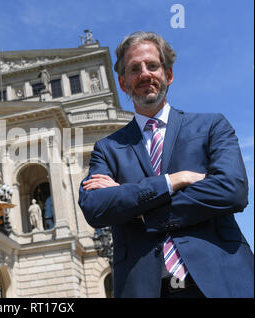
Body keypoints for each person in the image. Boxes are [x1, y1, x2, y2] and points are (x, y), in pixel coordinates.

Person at [78, 31, 253, 298]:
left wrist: (141, 209)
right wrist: (173, 181)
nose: (145, 74)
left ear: (168, 75)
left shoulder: (211, 126)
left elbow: (232, 190)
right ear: (123, 83)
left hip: (221, 279)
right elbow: (95, 207)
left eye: (152, 65)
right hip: (147, 288)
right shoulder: (108, 148)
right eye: (134, 69)